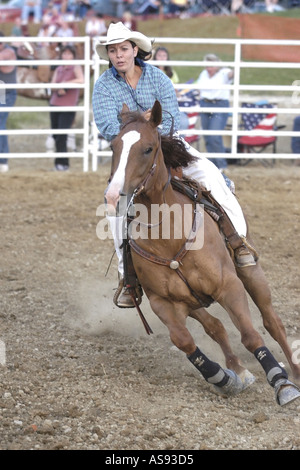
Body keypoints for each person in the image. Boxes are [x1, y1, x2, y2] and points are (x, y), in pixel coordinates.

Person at [92, 22, 256, 307]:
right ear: (109, 54)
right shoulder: (104, 85)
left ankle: (239, 242)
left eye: (123, 49)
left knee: (210, 174)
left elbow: (170, 120)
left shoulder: (158, 78)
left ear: (135, 50)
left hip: (168, 144)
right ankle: (128, 276)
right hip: (132, 154)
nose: (118, 55)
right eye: (113, 50)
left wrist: (136, 122)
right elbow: (108, 127)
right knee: (114, 203)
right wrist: (145, 121)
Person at [196, 53, 234, 172]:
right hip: (205, 103)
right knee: (207, 136)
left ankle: (221, 164)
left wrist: (237, 66)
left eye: (211, 65)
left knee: (214, 135)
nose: (209, 68)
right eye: (207, 65)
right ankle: (212, 165)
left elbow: (231, 74)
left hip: (219, 104)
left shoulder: (224, 72)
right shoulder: (203, 74)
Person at [49, 45, 84, 171]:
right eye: (64, 54)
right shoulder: (59, 69)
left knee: (62, 135)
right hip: (55, 103)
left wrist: (65, 84)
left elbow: (81, 80)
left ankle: (63, 164)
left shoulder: (75, 67)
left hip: (68, 106)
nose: (66, 56)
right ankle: (58, 163)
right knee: (55, 134)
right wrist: (59, 87)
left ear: (73, 56)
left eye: (69, 54)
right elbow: (52, 86)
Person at [0, 32, 17, 173]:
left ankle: (3, 159)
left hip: (6, 92)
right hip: (2, 91)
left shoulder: (8, 51)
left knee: (0, 123)